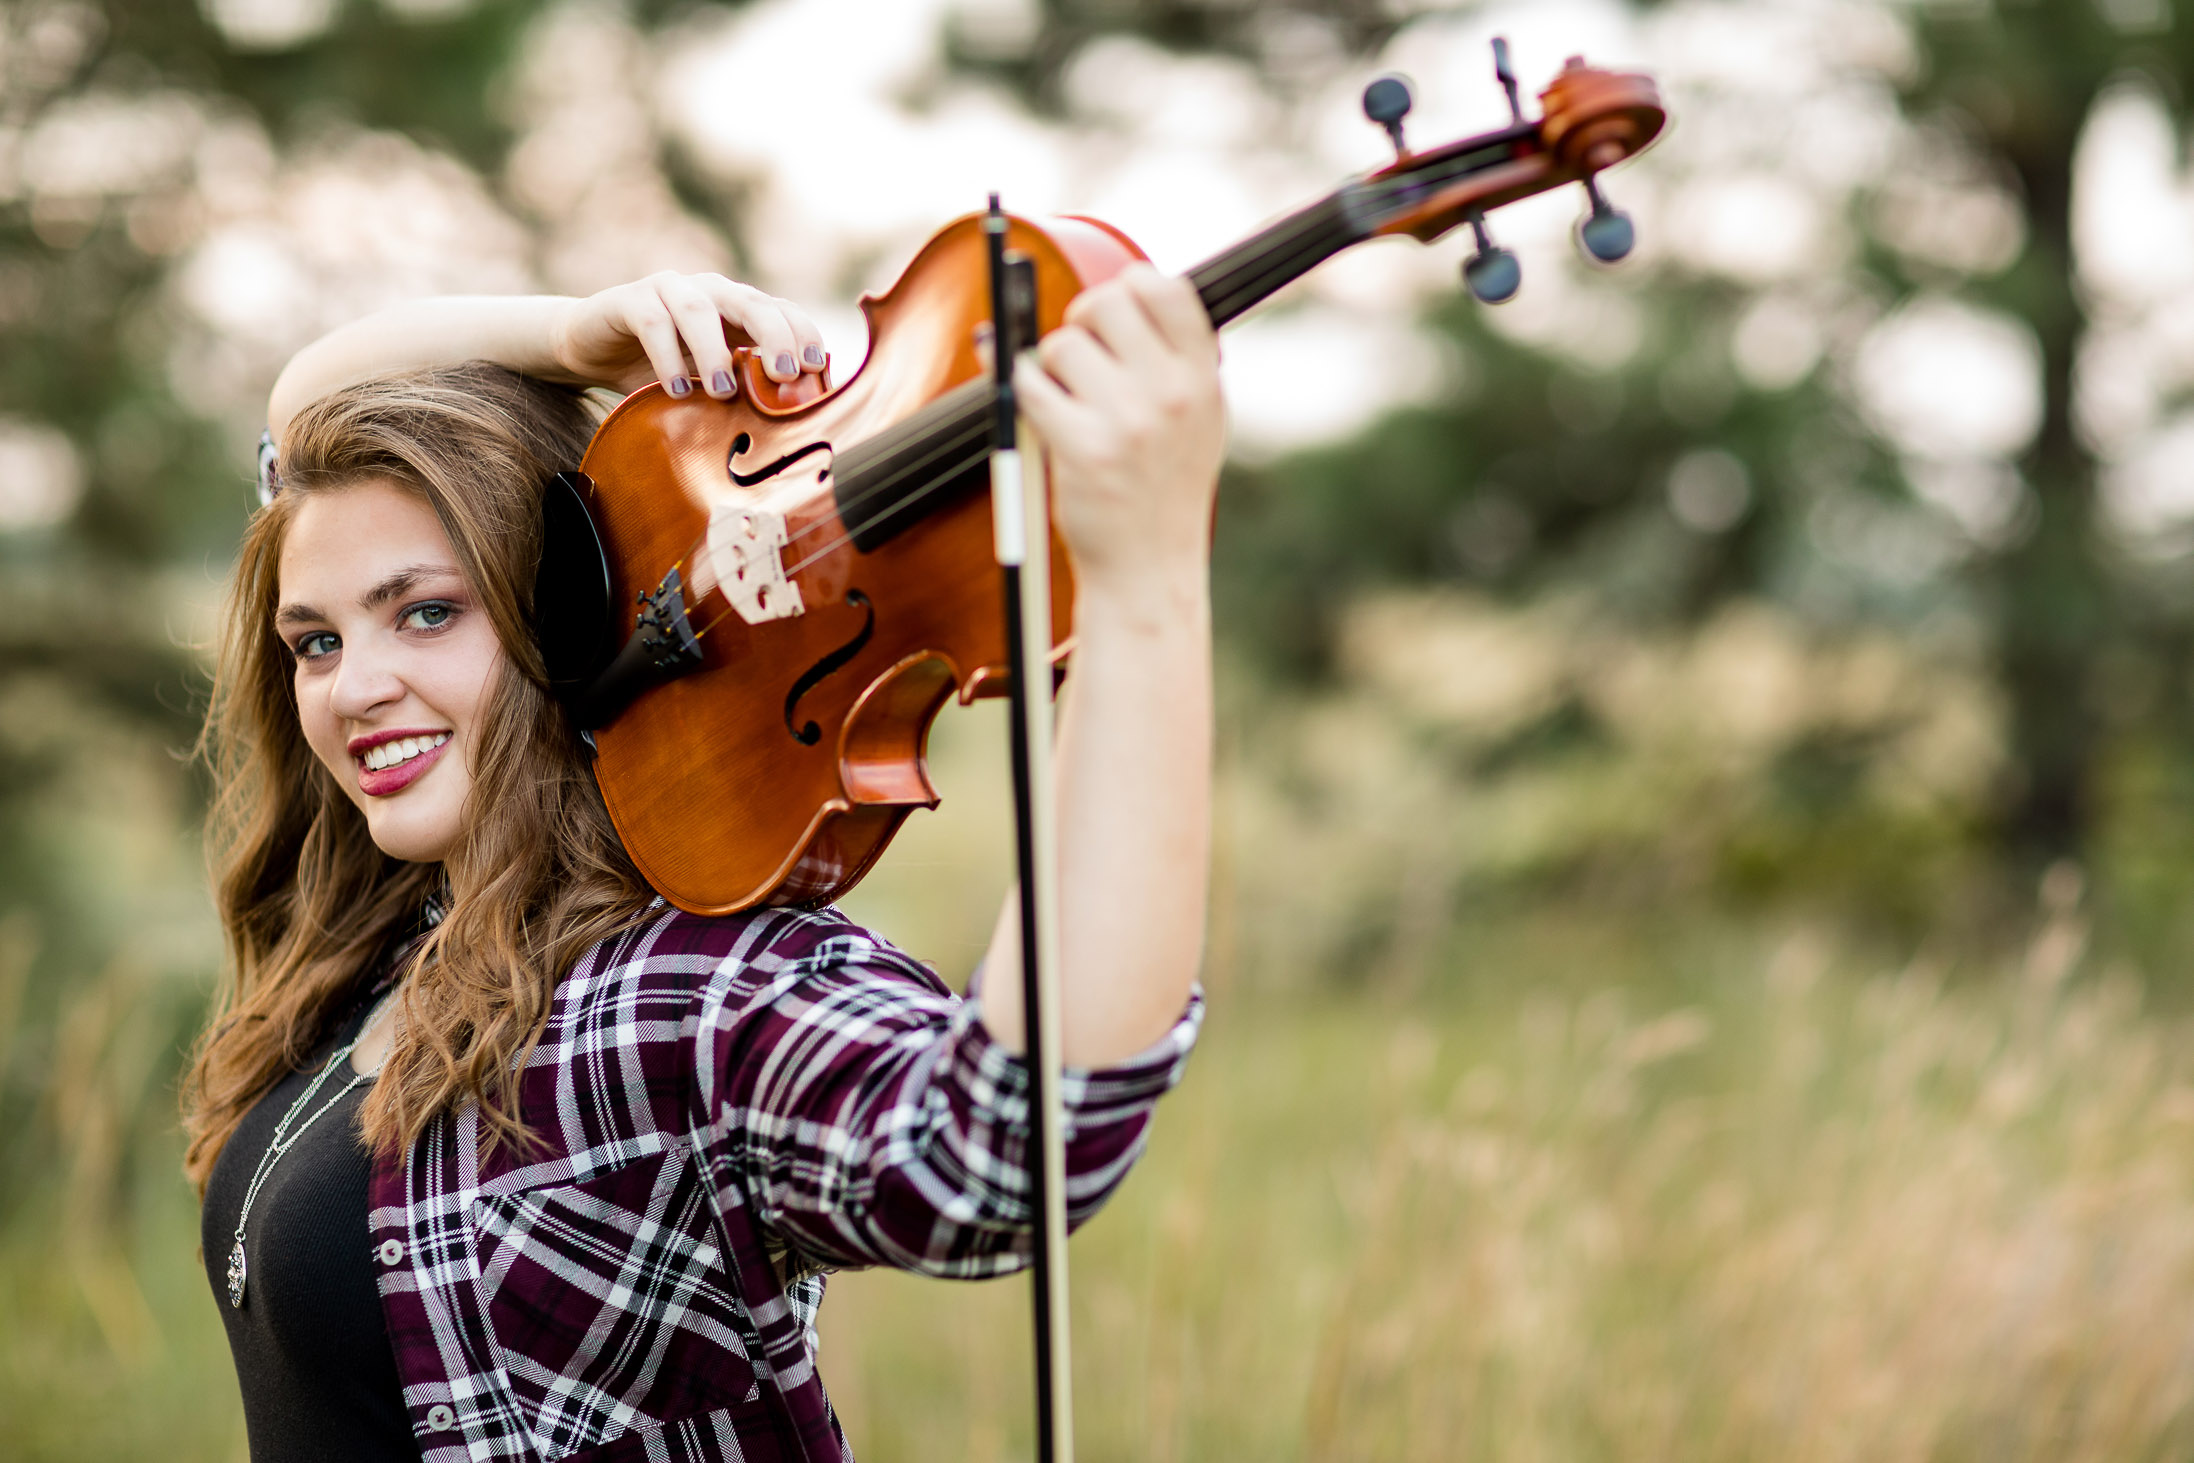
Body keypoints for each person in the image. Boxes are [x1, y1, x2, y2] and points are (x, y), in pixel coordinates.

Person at [182, 266, 1224, 1462]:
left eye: (425, 612)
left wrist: (1142, 589)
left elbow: (994, 1150)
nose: (353, 688)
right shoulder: (404, 948)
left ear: (565, 614)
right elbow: (301, 404)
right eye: (315, 639)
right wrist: (575, 334)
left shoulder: (672, 988)